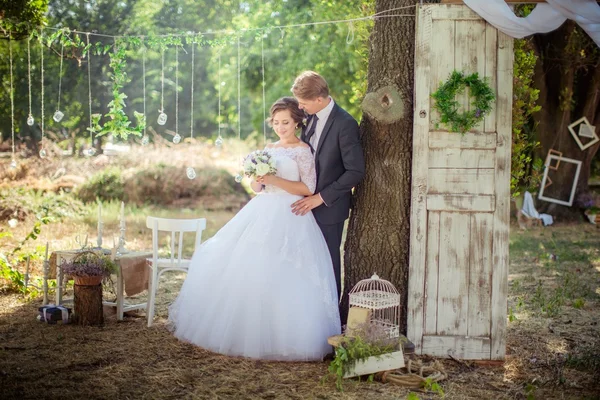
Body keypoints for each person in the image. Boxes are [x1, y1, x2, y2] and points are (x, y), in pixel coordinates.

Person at [168, 97, 340, 361]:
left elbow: (307, 188)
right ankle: (246, 330)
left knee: (285, 271)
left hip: (291, 213)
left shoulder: (303, 150)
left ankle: (286, 336)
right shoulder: (268, 148)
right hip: (262, 209)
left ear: (296, 122)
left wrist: (274, 179)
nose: (280, 127)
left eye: (285, 122)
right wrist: (259, 182)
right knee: (250, 264)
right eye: (276, 122)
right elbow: (255, 186)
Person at [290, 71, 366, 306]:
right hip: (302, 203)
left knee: (327, 264)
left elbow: (355, 171)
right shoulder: (309, 116)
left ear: (320, 100)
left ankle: (330, 315)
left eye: (303, 102)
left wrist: (320, 198)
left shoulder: (345, 124)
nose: (300, 107)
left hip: (328, 209)